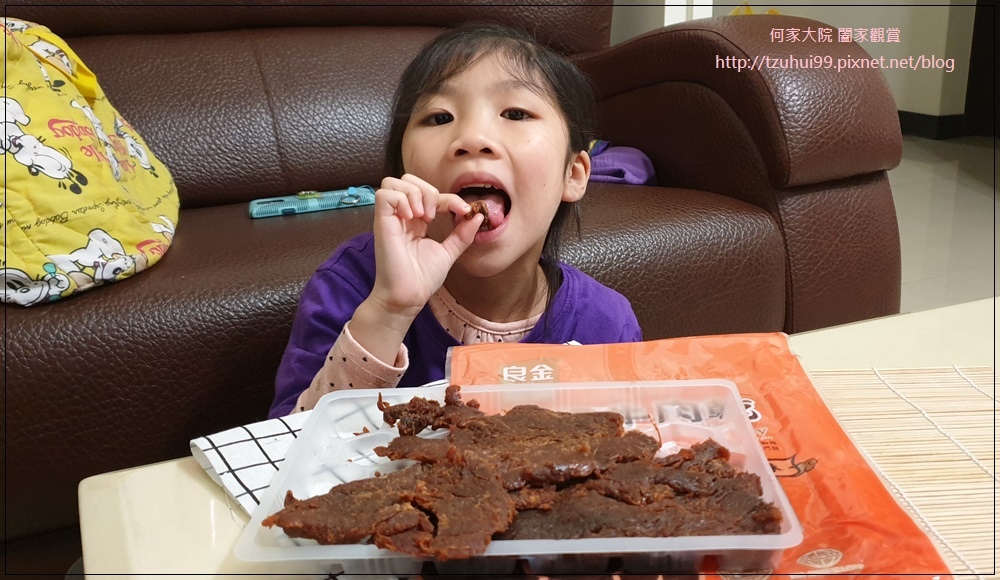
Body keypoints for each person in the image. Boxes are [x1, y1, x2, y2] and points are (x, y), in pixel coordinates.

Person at [269, 23, 641, 418]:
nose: (473, 137)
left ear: (574, 175)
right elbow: (284, 451)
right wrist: (390, 311)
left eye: (515, 113)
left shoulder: (606, 325)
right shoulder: (354, 285)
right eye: (439, 117)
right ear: (404, 173)